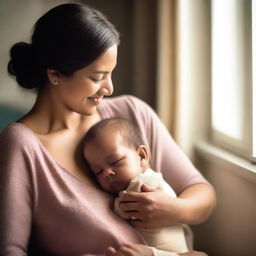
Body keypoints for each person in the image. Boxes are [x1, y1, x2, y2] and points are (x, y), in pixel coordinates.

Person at [0, 2, 216, 256]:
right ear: (55, 75)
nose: (109, 88)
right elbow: (10, 249)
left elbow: (202, 193)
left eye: (110, 74)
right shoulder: (21, 145)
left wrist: (172, 209)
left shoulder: (131, 113)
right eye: (97, 77)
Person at [83, 117, 189, 255]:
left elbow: (120, 210)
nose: (107, 173)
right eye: (98, 171)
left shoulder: (145, 183)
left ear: (142, 156)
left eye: (115, 161)